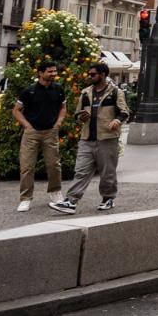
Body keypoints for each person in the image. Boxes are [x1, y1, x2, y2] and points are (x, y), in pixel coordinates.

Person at [52, 63, 131, 214]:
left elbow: (124, 112)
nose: (90, 77)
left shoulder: (115, 92)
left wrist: (117, 121)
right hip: (87, 138)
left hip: (107, 138)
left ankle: (108, 198)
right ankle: (71, 201)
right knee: (81, 171)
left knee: (107, 172)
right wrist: (81, 116)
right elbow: (77, 113)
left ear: (102, 75)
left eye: (93, 74)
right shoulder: (85, 92)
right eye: (89, 74)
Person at [14, 63, 67, 213]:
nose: (53, 73)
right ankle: (25, 199)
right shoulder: (29, 91)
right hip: (32, 133)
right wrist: (27, 126)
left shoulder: (58, 89)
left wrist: (58, 123)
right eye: (50, 71)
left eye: (55, 71)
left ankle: (55, 192)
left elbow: (63, 107)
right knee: (27, 167)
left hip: (50, 131)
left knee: (54, 165)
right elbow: (16, 110)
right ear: (40, 73)